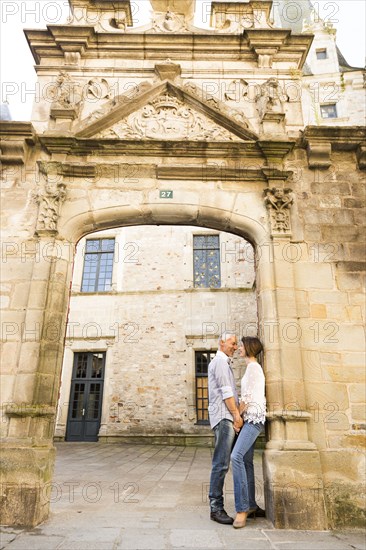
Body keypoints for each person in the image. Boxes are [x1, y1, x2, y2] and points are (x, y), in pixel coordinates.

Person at [230, 336, 266, 529]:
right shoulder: (252, 368)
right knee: (246, 461)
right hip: (250, 419)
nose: (239, 348)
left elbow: (248, 397)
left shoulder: (253, 368)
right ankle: (251, 505)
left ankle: (242, 509)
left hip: (252, 420)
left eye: (242, 345)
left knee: (236, 457)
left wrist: (238, 417)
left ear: (250, 348)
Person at [208, 332, 243, 524]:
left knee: (230, 461)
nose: (236, 347)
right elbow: (226, 392)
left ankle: (246, 504)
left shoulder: (223, 362)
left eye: (237, 344)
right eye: (233, 343)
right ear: (222, 343)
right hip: (224, 417)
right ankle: (216, 508)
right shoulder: (220, 362)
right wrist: (236, 416)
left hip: (227, 417)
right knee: (220, 463)